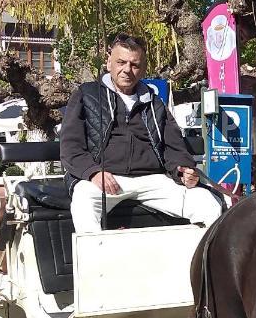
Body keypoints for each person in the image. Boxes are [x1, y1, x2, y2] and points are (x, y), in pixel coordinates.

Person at [60, 34, 223, 233]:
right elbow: (70, 147)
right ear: (108, 62)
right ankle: (97, 262)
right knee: (83, 201)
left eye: (134, 65)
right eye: (121, 62)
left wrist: (183, 170)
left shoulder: (155, 103)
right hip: (104, 178)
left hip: (153, 179)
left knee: (208, 203)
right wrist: (92, 172)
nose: (127, 70)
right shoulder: (87, 95)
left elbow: (174, 147)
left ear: (143, 68)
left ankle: (197, 263)